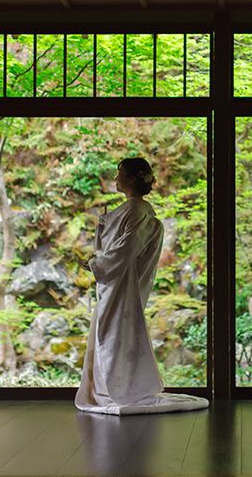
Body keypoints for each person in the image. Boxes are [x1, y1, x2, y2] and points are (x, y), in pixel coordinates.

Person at [76, 157, 208, 415]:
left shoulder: (137, 212)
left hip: (121, 287)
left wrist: (97, 264)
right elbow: (113, 250)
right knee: (110, 335)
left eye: (120, 173)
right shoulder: (131, 210)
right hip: (114, 285)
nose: (116, 178)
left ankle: (118, 389)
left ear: (134, 178)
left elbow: (124, 252)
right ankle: (112, 388)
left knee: (114, 336)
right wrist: (98, 260)